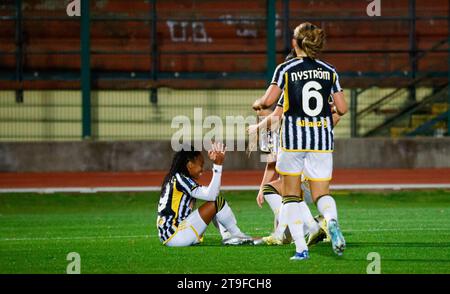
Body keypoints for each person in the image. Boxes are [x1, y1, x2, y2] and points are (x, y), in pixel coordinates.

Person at [252, 22, 348, 260]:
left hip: (294, 140)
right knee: (321, 194)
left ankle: (300, 250)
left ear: (294, 43)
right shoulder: (330, 71)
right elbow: (343, 108)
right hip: (322, 141)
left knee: (291, 196)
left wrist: (259, 104)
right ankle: (331, 221)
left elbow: (269, 101)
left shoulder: (286, 68)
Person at [157, 142, 253, 246]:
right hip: (177, 235)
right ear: (190, 165)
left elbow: (210, 195)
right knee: (217, 202)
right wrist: (217, 165)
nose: (202, 170)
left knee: (214, 204)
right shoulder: (181, 179)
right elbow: (212, 196)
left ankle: (228, 236)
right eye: (200, 165)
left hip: (171, 235)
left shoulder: (177, 178)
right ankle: (237, 235)